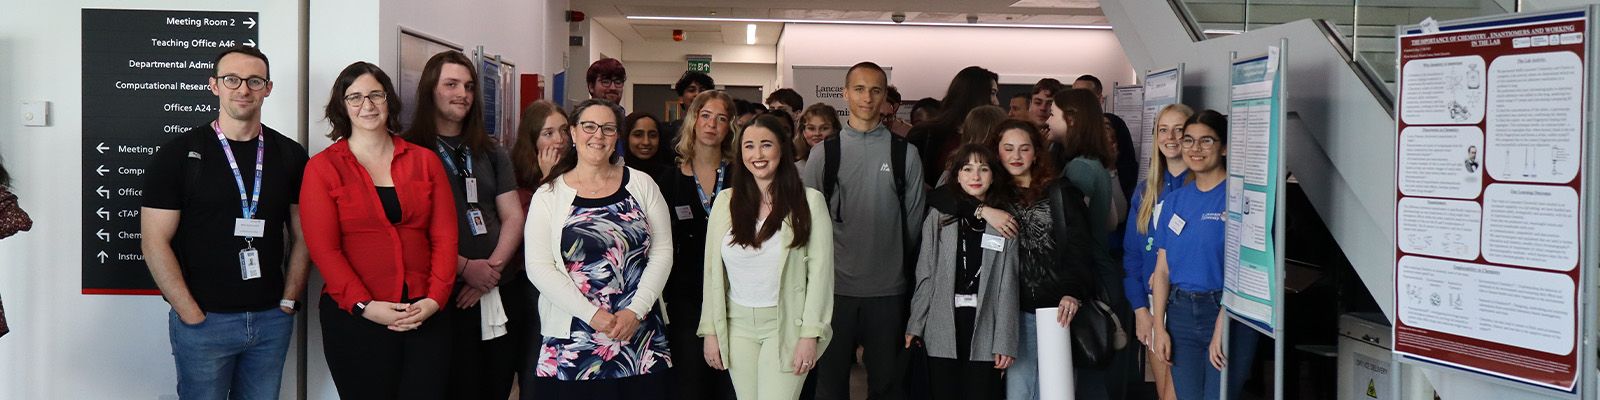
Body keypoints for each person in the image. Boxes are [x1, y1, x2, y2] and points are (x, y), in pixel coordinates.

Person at [141, 44, 309, 400]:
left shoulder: (290, 155)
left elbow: (303, 235)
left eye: (254, 80)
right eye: (232, 79)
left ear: (268, 87)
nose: (243, 89)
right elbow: (154, 241)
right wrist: (188, 311)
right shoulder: (178, 155)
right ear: (214, 85)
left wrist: (289, 301)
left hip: (271, 318)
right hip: (205, 320)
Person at [300, 61, 457, 399]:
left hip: (425, 312)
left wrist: (434, 300)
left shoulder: (424, 161)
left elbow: (444, 237)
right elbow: (325, 251)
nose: (367, 105)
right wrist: (365, 306)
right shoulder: (322, 168)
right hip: (356, 319)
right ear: (342, 106)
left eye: (376, 95)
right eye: (354, 97)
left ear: (389, 101)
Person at [922, 120, 1102, 400]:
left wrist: (1073, 292)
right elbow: (943, 196)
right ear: (998, 153)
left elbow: (1080, 249)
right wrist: (984, 210)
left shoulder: (1060, 192)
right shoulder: (994, 192)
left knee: (1058, 392)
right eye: (1008, 149)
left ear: (1036, 153)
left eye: (1024, 148)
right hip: (1012, 310)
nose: (1016, 156)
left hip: (1057, 310)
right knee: (1019, 392)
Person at [523, 99, 676, 398]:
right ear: (573, 133)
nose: (598, 135)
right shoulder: (549, 194)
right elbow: (539, 268)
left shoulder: (642, 184)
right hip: (573, 339)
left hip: (640, 334)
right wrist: (593, 316)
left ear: (617, 136)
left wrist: (635, 311)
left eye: (608, 129)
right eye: (589, 127)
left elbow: (662, 253)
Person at [401, 50, 525, 400]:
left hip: (499, 287)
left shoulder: (490, 150)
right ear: (430, 90)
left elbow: (513, 216)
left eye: (469, 86)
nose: (463, 94)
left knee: (496, 384)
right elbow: (409, 229)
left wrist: (490, 274)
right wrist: (465, 268)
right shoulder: (409, 150)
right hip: (445, 295)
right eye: (452, 84)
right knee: (458, 386)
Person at [801, 61, 927, 400]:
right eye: (859, 89)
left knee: (886, 386)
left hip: (888, 292)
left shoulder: (906, 155)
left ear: (886, 96)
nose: (867, 97)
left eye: (875, 90)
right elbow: (807, 223)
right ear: (845, 94)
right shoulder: (823, 155)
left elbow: (913, 225)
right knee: (830, 387)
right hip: (833, 292)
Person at [699, 114, 835, 400]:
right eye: (749, 146)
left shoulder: (809, 201)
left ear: (782, 149)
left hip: (785, 325)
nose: (757, 155)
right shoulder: (725, 202)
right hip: (736, 326)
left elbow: (821, 275)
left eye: (766, 145)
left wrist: (810, 335)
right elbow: (712, 274)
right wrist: (710, 331)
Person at [1149, 110, 1260, 400]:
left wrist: (1223, 322)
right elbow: (1162, 270)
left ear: (1224, 147)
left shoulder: (1240, 199)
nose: (1195, 149)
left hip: (1226, 311)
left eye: (1206, 141)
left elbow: (1247, 269)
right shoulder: (1174, 201)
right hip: (1180, 313)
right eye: (1188, 141)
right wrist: (1159, 327)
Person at [905, 144, 1020, 400]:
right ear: (956, 175)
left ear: (994, 176)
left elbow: (1008, 286)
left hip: (986, 327)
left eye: (983, 169)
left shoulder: (1005, 222)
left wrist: (1005, 341)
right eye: (967, 169)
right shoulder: (938, 216)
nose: (975, 176)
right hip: (941, 322)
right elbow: (925, 274)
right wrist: (916, 323)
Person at [1047, 87, 1131, 400]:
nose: (1048, 119)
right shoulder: (1095, 162)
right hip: (1104, 270)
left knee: (1090, 365)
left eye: (1053, 114)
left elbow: (1072, 228)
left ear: (1071, 120)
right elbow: (1109, 221)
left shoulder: (1078, 169)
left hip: (1090, 277)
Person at [657, 90, 740, 399]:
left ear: (730, 127)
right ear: (693, 121)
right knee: (690, 382)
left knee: (729, 384)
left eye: (721, 119)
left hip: (735, 291)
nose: (711, 125)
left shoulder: (740, 175)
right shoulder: (670, 179)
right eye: (705, 116)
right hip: (686, 294)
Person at [1121, 104, 1195, 400]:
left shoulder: (1204, 188)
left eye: (1180, 130)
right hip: (1153, 307)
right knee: (1164, 393)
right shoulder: (1145, 192)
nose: (1171, 137)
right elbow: (1132, 256)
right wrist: (1140, 309)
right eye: (1163, 130)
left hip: (1189, 304)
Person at [508, 99, 570, 396]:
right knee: (531, 365)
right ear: (532, 138)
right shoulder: (514, 177)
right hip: (525, 286)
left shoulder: (580, 173)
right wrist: (549, 181)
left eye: (563, 130)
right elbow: (534, 234)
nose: (559, 140)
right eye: (548, 133)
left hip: (567, 286)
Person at [907, 66, 999, 185]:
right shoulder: (924, 135)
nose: (996, 102)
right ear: (973, 94)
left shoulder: (995, 136)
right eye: (992, 93)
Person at [663, 71, 717, 158]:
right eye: (691, 90)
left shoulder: (717, 128)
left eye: (702, 91)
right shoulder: (668, 132)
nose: (697, 94)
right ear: (681, 99)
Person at [794, 103, 840, 171]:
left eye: (824, 128)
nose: (817, 133)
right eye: (811, 128)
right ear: (803, 132)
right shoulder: (796, 169)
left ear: (834, 130)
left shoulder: (844, 162)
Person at [625, 111, 670, 179]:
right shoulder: (616, 174)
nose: (646, 142)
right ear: (625, 137)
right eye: (638, 135)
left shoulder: (672, 176)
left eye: (653, 135)